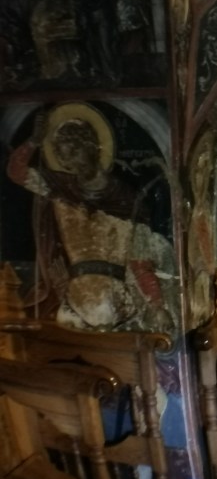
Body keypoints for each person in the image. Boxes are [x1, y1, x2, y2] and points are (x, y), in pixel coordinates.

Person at [6, 112, 175, 331]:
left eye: (76, 151)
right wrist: (34, 141)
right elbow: (16, 171)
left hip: (116, 301)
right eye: (64, 157)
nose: (72, 162)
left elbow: (140, 263)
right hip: (70, 299)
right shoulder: (60, 188)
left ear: (93, 146)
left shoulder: (127, 199)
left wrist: (157, 306)